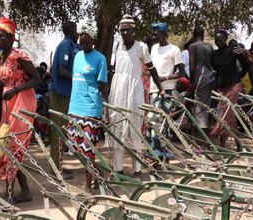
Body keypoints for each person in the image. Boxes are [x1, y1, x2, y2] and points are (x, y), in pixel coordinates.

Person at [0, 17, 41, 204]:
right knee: (4, 144)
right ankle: (22, 191)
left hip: (22, 101)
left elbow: (37, 79)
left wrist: (16, 90)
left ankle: (10, 194)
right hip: (7, 102)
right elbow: (2, 81)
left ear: (11, 37)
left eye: (1, 37)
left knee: (12, 147)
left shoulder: (20, 55)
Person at [108, 15, 163, 180]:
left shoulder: (141, 47)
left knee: (134, 130)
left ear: (134, 31)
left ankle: (137, 170)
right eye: (122, 30)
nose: (125, 32)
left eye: (128, 30)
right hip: (117, 90)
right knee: (116, 128)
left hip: (135, 91)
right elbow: (112, 69)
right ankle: (118, 170)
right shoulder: (116, 45)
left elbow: (152, 70)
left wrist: (161, 90)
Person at [67, 31, 108, 191]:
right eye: (80, 42)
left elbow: (103, 86)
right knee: (77, 149)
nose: (82, 45)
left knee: (88, 150)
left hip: (91, 108)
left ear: (93, 41)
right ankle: (99, 172)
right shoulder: (77, 56)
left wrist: (105, 111)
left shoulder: (100, 59)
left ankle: (88, 185)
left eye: (86, 42)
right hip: (75, 107)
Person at [148, 22, 186, 161]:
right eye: (153, 34)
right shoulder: (153, 48)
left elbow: (182, 72)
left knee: (163, 124)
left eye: (156, 34)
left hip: (167, 90)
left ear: (164, 34)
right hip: (154, 90)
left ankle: (164, 156)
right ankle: (156, 155)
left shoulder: (174, 50)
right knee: (153, 124)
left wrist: (166, 78)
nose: (154, 36)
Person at [49, 21, 79, 178]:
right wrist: (78, 79)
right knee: (58, 129)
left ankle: (58, 163)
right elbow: (62, 70)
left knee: (64, 130)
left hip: (67, 93)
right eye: (76, 30)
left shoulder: (72, 45)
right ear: (72, 30)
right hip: (60, 93)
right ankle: (55, 169)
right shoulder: (66, 45)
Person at [210, 29, 248, 150]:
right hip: (221, 87)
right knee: (229, 116)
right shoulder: (214, 54)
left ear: (225, 39)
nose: (218, 42)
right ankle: (233, 145)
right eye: (216, 40)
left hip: (234, 85)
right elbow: (214, 69)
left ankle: (211, 136)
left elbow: (246, 64)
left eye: (220, 40)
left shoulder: (233, 50)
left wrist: (241, 74)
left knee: (224, 113)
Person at [188, 26, 215, 141]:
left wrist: (192, 82)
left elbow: (192, 66)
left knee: (199, 107)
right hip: (211, 76)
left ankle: (201, 141)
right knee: (207, 106)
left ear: (194, 35)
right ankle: (205, 139)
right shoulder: (209, 46)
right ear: (203, 35)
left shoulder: (193, 46)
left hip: (200, 77)